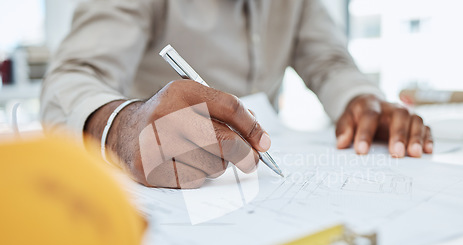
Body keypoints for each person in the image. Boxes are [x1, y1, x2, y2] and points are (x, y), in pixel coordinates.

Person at [41, 0, 433, 189]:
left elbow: (328, 61)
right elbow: (73, 75)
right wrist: (123, 127)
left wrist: (359, 99)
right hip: (161, 192)